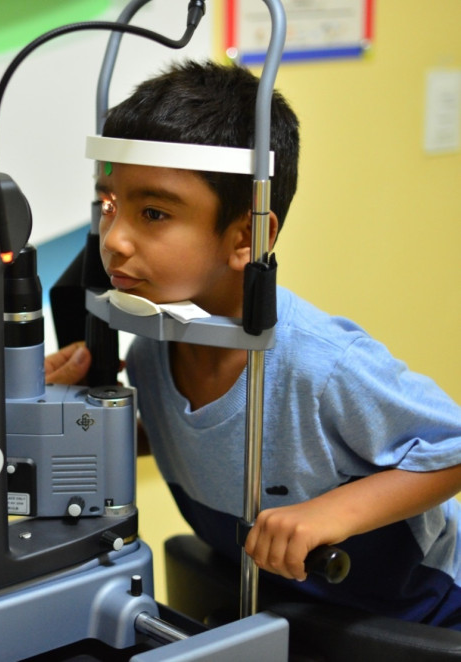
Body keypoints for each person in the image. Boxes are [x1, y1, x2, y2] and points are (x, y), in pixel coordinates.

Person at [46, 60, 461, 628]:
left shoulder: (321, 364)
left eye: (153, 213)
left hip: (426, 613)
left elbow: (452, 448)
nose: (114, 239)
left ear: (246, 235)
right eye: (109, 204)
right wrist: (67, 416)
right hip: (292, 605)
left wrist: (332, 511)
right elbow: (195, 433)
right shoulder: (152, 350)